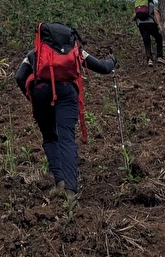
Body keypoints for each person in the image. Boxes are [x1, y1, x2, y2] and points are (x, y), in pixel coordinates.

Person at [15, 22, 115, 200]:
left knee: (50, 137)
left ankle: (59, 182)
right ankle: (70, 191)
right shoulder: (75, 51)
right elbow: (103, 67)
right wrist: (113, 60)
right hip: (67, 94)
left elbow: (20, 77)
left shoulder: (35, 53)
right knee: (66, 138)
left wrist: (33, 99)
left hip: (41, 93)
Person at [133, 0, 165, 65]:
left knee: (146, 42)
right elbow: (156, 13)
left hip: (141, 25)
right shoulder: (151, 5)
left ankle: (149, 60)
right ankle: (159, 57)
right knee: (159, 38)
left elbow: (134, 16)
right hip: (151, 24)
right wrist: (159, 25)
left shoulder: (139, 7)